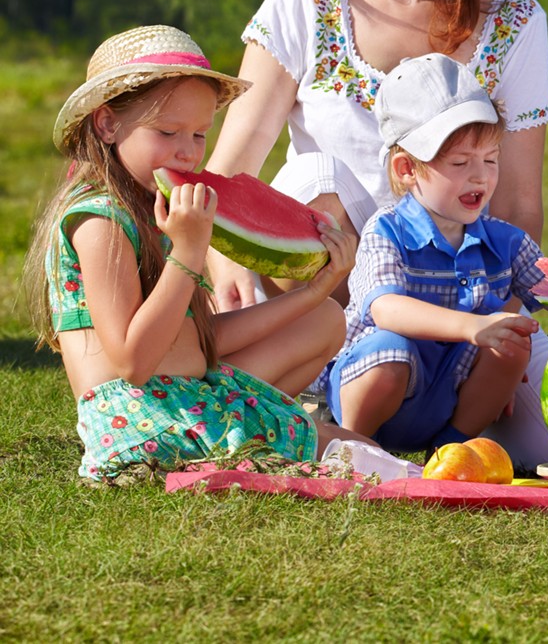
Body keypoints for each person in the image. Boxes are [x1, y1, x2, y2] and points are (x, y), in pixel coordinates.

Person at [201, 0, 548, 467]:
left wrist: (503, 328)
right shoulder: (303, 1)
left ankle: (403, 417)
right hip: (318, 296)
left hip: (459, 298)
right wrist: (224, 266)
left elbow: (518, 204)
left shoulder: (514, 19)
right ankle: (325, 383)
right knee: (312, 175)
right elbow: (229, 170)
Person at [27, 26, 357, 482]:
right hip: (144, 423)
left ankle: (261, 418)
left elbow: (200, 344)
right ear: (107, 124)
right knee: (345, 449)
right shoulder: (100, 220)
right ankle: (257, 425)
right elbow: (133, 362)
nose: (187, 152)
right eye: (168, 131)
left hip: (185, 389)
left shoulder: (155, 207)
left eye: (200, 135)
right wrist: (188, 251)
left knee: (326, 324)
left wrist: (312, 293)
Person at [320, 54, 546, 452]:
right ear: (407, 168)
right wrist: (472, 326)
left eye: (491, 160)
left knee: (511, 342)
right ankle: (354, 447)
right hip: (376, 385)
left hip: (446, 399)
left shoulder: (504, 242)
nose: (480, 175)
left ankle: (450, 451)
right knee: (392, 348)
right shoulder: (387, 230)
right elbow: (386, 309)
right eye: (460, 162)